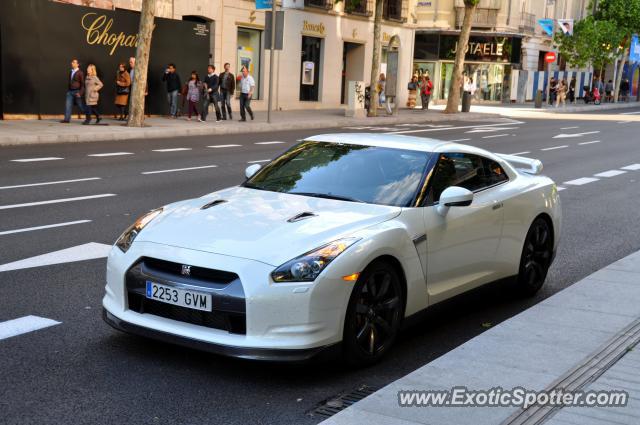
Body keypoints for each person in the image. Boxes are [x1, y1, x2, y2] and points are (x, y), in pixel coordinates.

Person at [61, 58, 86, 123]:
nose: (72, 63)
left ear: (77, 64)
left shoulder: (80, 73)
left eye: (74, 62)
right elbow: (70, 82)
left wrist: (80, 93)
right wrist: (68, 90)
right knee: (68, 105)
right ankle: (66, 119)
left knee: (81, 106)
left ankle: (88, 116)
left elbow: (83, 84)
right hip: (70, 92)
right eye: (72, 62)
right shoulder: (71, 71)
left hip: (77, 91)